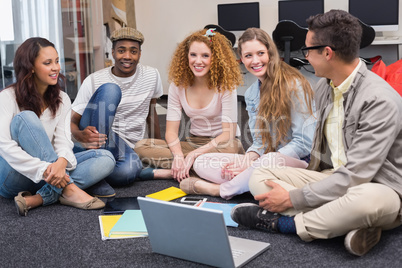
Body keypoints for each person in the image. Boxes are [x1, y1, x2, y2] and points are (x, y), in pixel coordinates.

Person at [231, 10, 402, 257]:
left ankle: (284, 224)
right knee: (261, 176)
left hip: (378, 186)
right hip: (333, 176)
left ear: (327, 53)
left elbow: (358, 175)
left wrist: (294, 199)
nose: (306, 57)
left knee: (367, 201)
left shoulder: (379, 100)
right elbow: (331, 168)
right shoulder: (325, 86)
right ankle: (347, 223)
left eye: (308, 50)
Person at [182, 28, 315, 199]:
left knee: (269, 160)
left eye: (260, 53)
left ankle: (221, 189)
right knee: (202, 162)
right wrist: (248, 160)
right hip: (264, 161)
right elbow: (259, 143)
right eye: (248, 56)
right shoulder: (252, 93)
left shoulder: (295, 85)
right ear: (242, 58)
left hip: (298, 164)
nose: (255, 61)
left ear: (271, 54)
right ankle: (250, 183)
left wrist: (257, 163)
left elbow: (304, 143)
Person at [0, 37, 116, 216]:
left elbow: (64, 140)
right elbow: (5, 147)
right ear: (30, 67)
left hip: (51, 174)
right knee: (26, 118)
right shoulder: (7, 97)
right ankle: (68, 189)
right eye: (47, 63)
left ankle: (40, 197)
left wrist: (61, 163)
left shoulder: (62, 98)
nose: (56, 68)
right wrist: (46, 169)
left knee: (106, 158)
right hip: (14, 175)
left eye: (56, 61)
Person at [134, 28, 244, 182]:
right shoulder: (178, 85)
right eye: (193, 55)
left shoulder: (226, 85)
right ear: (186, 57)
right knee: (141, 147)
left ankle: (171, 171)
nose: (198, 61)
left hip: (221, 144)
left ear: (216, 58)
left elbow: (228, 134)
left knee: (231, 148)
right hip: (193, 141)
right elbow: (171, 132)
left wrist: (194, 155)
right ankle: (195, 168)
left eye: (205, 55)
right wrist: (179, 156)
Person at [71, 27, 163, 197]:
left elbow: (151, 113)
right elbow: (71, 121)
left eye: (133, 51)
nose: (127, 56)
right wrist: (80, 134)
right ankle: (95, 174)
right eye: (121, 50)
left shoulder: (152, 75)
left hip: (126, 149)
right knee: (111, 90)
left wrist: (158, 149)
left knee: (129, 171)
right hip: (99, 138)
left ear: (140, 54)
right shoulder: (94, 80)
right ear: (112, 52)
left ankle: (91, 173)